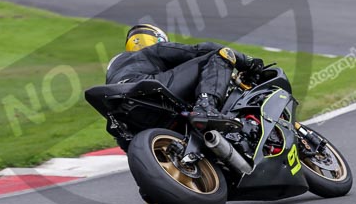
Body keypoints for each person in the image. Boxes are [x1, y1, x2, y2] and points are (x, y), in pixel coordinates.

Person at [106, 24, 264, 131]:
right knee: (221, 55)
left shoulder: (114, 68)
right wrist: (248, 62)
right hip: (147, 90)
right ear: (156, 39)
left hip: (124, 116)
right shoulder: (153, 50)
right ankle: (206, 106)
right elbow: (201, 50)